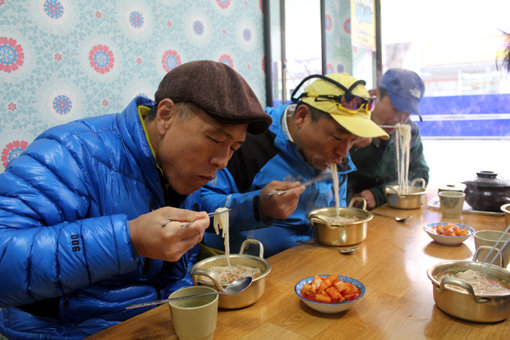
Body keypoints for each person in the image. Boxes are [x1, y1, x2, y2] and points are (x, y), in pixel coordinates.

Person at [0, 60, 272, 339]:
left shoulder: (178, 167)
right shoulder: (69, 152)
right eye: (215, 139)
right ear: (166, 115)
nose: (223, 161)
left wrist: (257, 206)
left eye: (234, 148)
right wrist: (129, 239)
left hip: (157, 322)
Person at [200, 73, 389, 257]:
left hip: (312, 262)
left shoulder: (338, 156)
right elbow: (199, 209)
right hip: (249, 272)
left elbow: (334, 211)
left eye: (353, 141)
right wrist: (258, 206)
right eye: (336, 137)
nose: (344, 153)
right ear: (301, 116)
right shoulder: (247, 141)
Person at [347, 68, 430, 210]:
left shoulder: (409, 131)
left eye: (407, 112)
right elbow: (326, 172)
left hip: (390, 208)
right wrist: (350, 145)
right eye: (396, 109)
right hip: (350, 210)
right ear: (375, 95)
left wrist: (380, 193)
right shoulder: (349, 123)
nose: (400, 120)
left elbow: (420, 174)